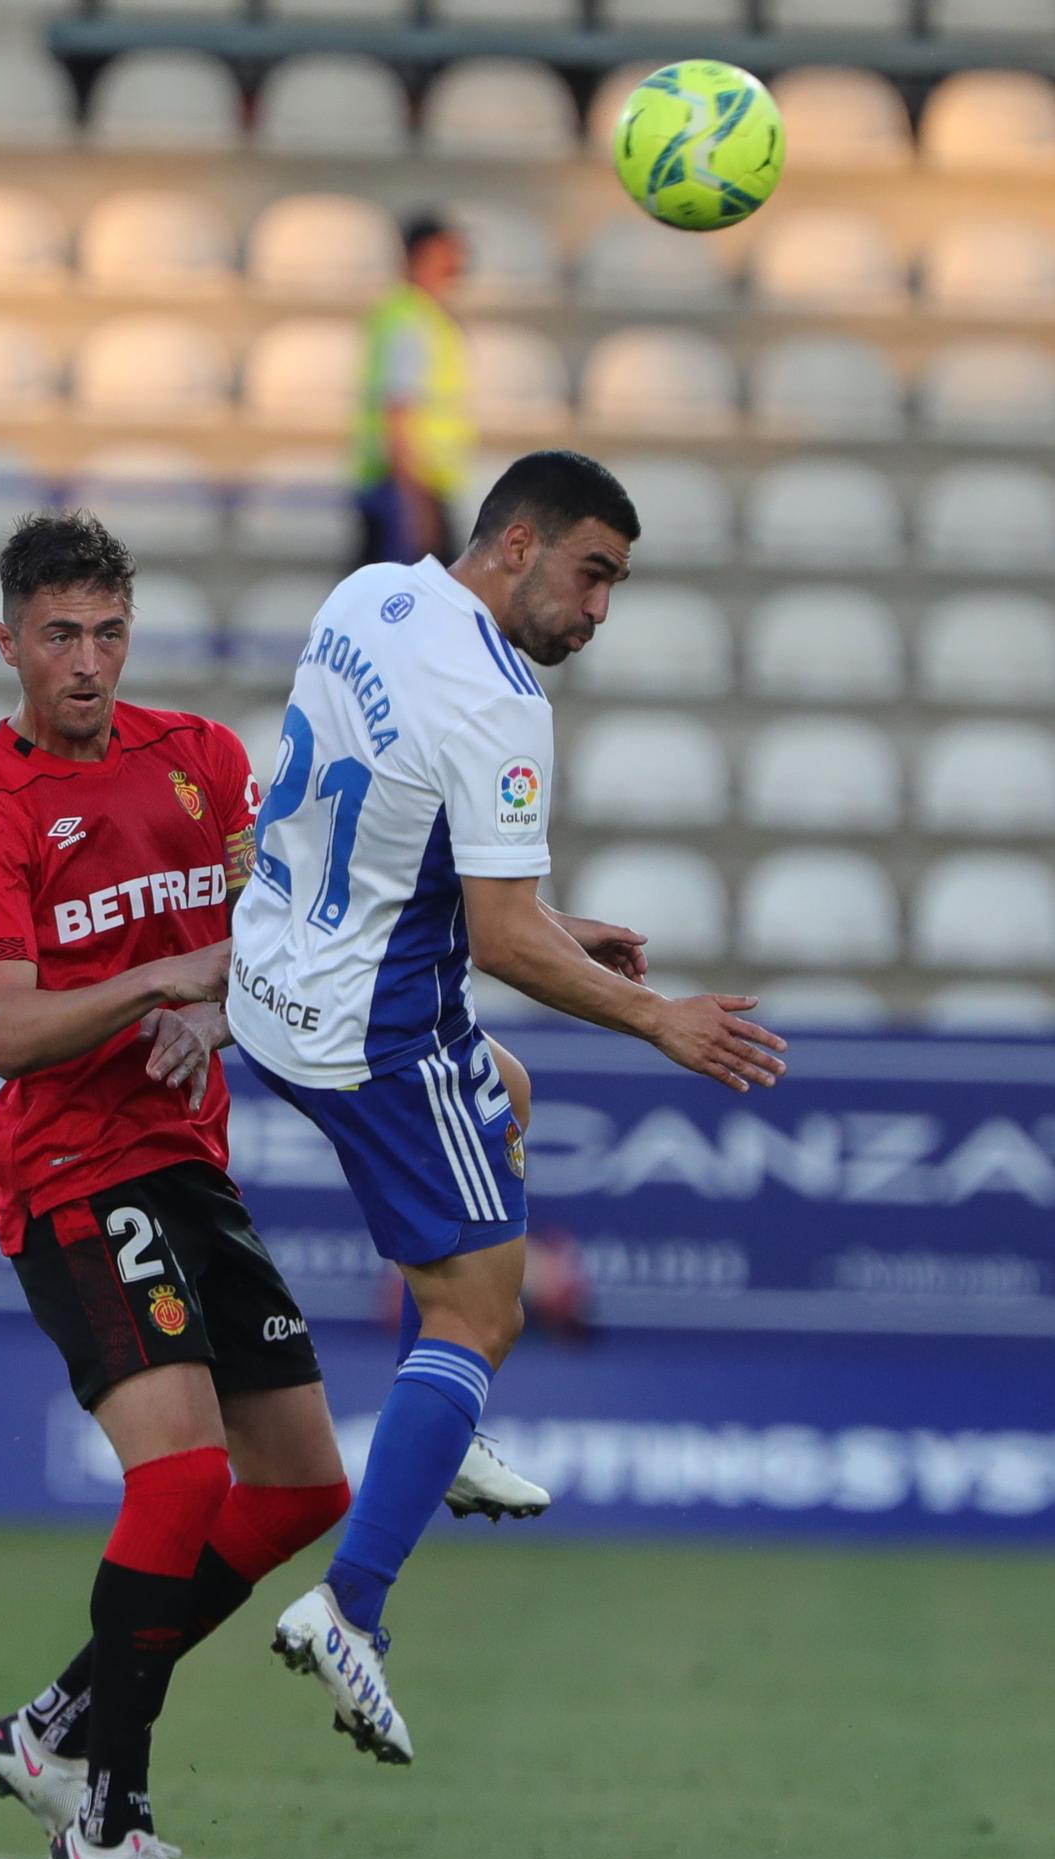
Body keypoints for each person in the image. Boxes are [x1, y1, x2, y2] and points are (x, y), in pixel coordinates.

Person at [226, 450, 789, 1766]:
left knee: (511, 1092)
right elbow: (491, 941)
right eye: (591, 575)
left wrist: (546, 922)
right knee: (482, 1305)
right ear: (520, 542)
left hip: (267, 980)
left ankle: (439, 1426)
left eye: (616, 587)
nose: (597, 611)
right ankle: (352, 1606)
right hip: (366, 1029)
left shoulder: (368, 595)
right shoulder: (500, 696)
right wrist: (658, 1019)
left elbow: (345, 823)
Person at [0, 511, 353, 1859]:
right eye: (58, 636)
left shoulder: (203, 762)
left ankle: (55, 1723)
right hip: (68, 1174)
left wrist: (217, 1000)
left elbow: (287, 928)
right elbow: (3, 1028)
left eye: (108, 632)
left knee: (299, 1490)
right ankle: (109, 1827)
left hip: (186, 1166)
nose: (88, 663)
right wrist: (158, 974)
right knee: (175, 1482)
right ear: (8, 643)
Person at [353, 212, 475, 569]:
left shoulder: (412, 316)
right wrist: (416, 506)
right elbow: (399, 412)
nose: (460, 261)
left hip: (410, 486)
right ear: (424, 253)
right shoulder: (412, 322)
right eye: (449, 250)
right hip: (407, 489)